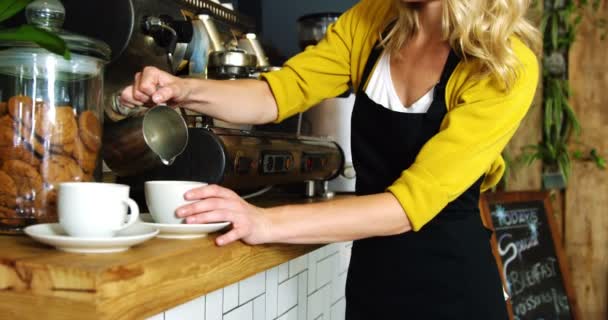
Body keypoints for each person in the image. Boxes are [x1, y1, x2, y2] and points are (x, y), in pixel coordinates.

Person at [120, 0, 540, 318]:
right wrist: (183, 90)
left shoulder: (504, 66)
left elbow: (407, 206)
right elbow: (277, 94)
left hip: (454, 290)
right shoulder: (372, 21)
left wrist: (266, 221)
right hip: (372, 282)